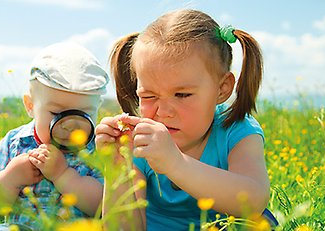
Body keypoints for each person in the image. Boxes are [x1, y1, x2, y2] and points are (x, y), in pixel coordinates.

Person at [96, 9, 275, 230]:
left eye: (182, 95)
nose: (163, 112)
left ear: (222, 89)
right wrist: (116, 167)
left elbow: (254, 201)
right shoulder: (139, 142)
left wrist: (175, 164)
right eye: (148, 96)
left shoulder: (236, 131)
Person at [0, 42, 109, 230]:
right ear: (30, 105)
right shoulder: (15, 143)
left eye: (84, 113)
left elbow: (104, 208)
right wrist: (10, 178)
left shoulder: (98, 149)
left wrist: (64, 176)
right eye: (56, 113)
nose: (70, 125)